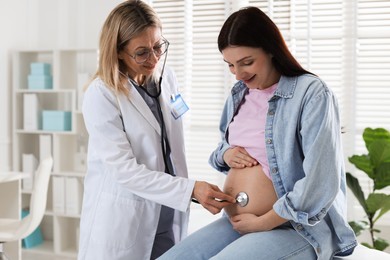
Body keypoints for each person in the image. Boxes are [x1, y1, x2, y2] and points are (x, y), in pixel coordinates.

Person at [158, 6, 357, 260]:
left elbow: (320, 181)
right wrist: (227, 153)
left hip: (295, 227)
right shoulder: (239, 94)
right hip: (240, 223)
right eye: (230, 65)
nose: (239, 75)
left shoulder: (312, 93)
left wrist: (263, 222)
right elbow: (223, 148)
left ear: (271, 49)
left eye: (246, 62)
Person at [77, 1, 235, 259]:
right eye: (141, 52)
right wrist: (191, 189)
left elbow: (173, 143)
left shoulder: (166, 77)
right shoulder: (102, 94)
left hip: (168, 213)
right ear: (117, 51)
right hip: (125, 220)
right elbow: (124, 172)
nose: (154, 58)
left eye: (158, 46)